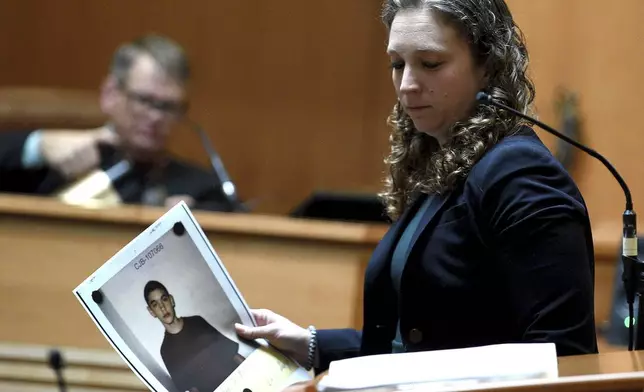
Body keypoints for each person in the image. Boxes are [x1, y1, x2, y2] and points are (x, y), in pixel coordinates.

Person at [235, 0, 598, 374]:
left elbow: (562, 356)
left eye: (430, 64)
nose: (407, 84)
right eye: (397, 64)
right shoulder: (446, 162)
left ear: (488, 65)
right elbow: (412, 343)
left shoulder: (520, 173)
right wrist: (309, 343)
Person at [0, 34, 243, 212]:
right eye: (145, 100)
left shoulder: (199, 189)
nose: (156, 116)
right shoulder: (56, 159)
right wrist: (38, 145)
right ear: (110, 94)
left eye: (169, 107)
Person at [144, 280, 243, 392]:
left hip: (239, 381)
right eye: (155, 304)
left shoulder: (197, 322)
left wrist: (256, 370)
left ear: (171, 300)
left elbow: (232, 353)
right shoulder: (166, 351)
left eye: (164, 299)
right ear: (151, 312)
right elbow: (192, 389)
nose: (162, 307)